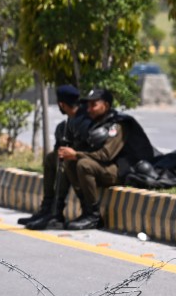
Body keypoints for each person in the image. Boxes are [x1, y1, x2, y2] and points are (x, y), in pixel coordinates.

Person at [58, 87, 155, 229]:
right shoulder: (96, 122)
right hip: (105, 167)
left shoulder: (118, 124)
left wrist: (76, 154)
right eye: (88, 105)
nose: (89, 109)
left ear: (106, 105)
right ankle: (85, 210)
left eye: (94, 105)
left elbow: (105, 155)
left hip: (120, 170)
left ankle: (94, 216)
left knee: (83, 164)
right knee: (70, 163)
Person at [22, 84, 89, 230]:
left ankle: (56, 212)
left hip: (88, 160)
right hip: (79, 158)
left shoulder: (84, 118)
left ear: (61, 104)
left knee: (63, 162)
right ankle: (47, 207)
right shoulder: (71, 119)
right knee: (51, 158)